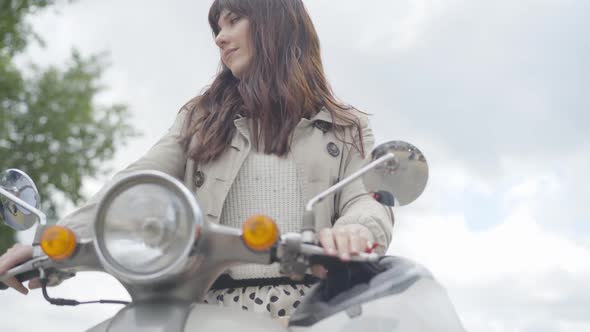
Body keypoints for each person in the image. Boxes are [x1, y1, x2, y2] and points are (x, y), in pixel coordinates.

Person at [0, 0, 393, 320]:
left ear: (276, 24)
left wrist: (356, 229)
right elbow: (136, 183)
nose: (220, 38)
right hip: (209, 314)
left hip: (317, 312)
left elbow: (365, 198)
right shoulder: (202, 119)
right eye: (217, 29)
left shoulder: (345, 127)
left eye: (233, 21)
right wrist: (48, 245)